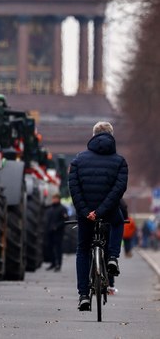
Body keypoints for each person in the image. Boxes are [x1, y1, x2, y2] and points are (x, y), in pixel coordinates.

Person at [68, 121, 128, 311]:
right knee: (118, 223)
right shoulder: (120, 161)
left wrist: (86, 212)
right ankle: (112, 257)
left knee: (83, 249)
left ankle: (84, 295)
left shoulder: (77, 161)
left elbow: (74, 188)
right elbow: (119, 189)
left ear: (93, 136)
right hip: (107, 211)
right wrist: (101, 211)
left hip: (85, 214)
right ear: (112, 135)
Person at [44, 192, 69, 271]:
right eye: (53, 198)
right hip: (50, 232)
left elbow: (65, 220)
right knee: (50, 247)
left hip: (58, 232)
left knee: (58, 248)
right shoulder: (50, 209)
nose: (54, 200)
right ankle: (53, 263)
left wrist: (57, 227)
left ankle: (58, 264)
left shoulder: (62, 209)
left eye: (55, 198)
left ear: (58, 199)